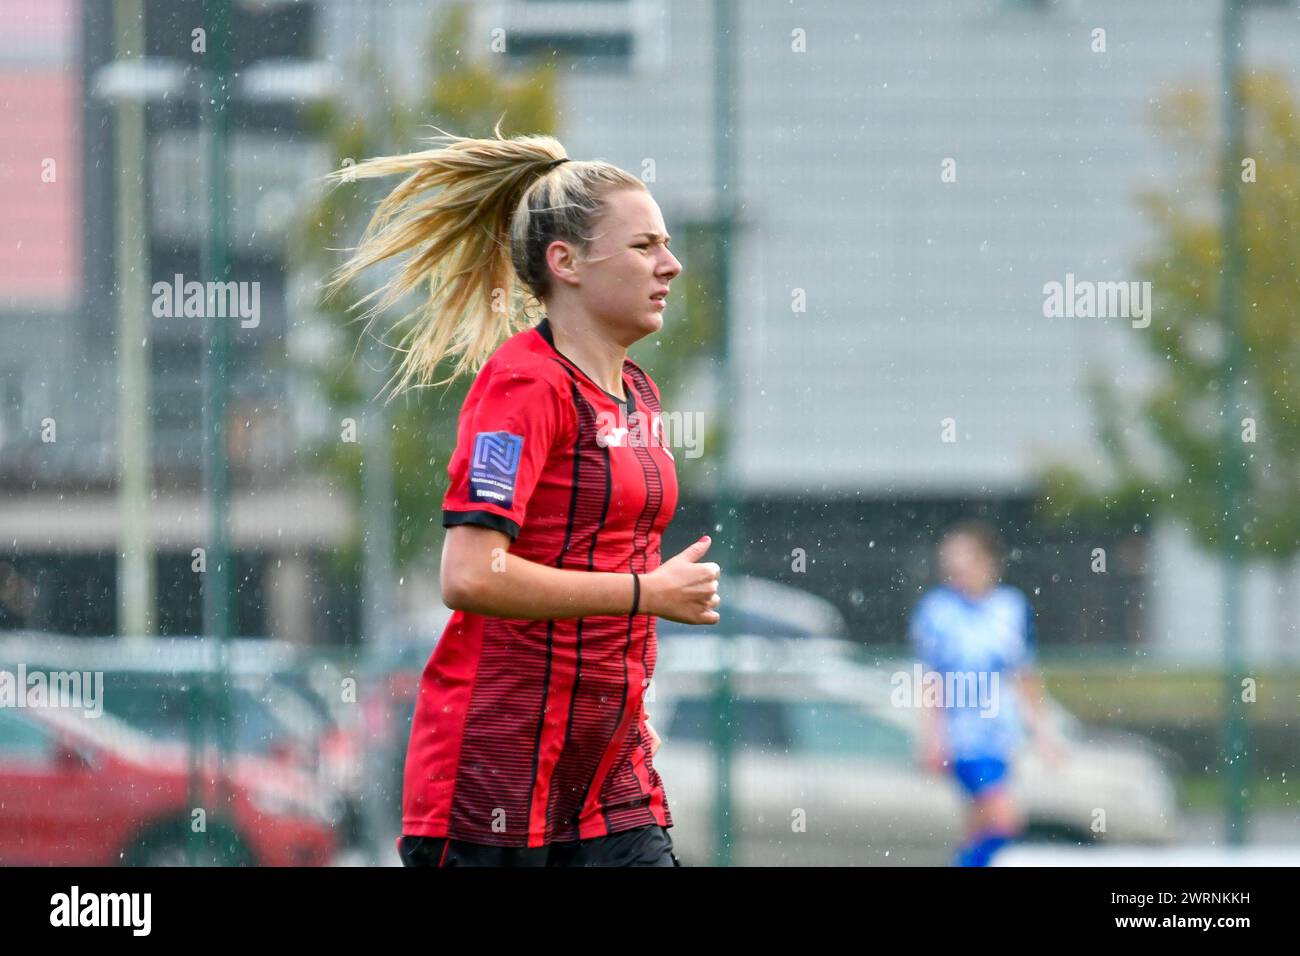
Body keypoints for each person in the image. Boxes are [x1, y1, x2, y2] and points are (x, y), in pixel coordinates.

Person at [323, 124, 721, 866]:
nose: (670, 265)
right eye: (644, 247)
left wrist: (621, 704)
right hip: (494, 770)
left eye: (666, 245)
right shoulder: (522, 386)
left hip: (607, 768)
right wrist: (647, 594)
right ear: (564, 262)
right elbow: (470, 575)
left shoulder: (640, 393)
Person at [908, 519, 1064, 867]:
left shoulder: (1010, 607)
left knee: (977, 825)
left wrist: (1043, 734)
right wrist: (932, 738)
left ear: (986, 562)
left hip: (1001, 734)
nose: (953, 572)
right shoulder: (937, 611)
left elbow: (1023, 674)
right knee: (1003, 818)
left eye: (962, 563)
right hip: (965, 736)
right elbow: (930, 679)